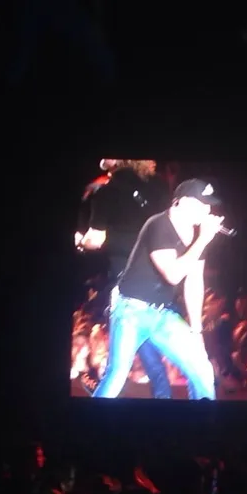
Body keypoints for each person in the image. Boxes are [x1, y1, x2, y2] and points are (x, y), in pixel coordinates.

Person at [93, 179, 223, 399]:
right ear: (183, 202)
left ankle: (203, 419)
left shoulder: (197, 236)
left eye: (209, 206)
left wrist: (196, 330)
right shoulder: (158, 225)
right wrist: (203, 239)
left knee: (202, 369)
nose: (207, 211)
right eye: (202, 204)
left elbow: (193, 282)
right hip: (131, 311)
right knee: (116, 375)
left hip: (162, 314)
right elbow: (173, 274)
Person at [77, 159, 171, 398]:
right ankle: (164, 403)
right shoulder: (159, 186)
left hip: (126, 282)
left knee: (118, 367)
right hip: (159, 279)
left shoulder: (107, 192)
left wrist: (81, 241)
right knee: (149, 352)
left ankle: (99, 403)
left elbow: (95, 239)